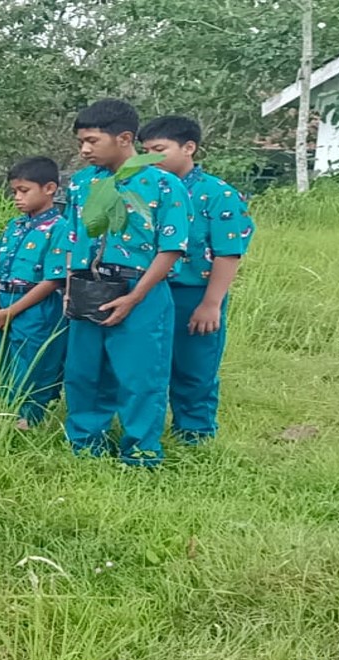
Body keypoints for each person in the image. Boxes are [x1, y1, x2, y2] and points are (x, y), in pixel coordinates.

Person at [51, 98, 191, 466]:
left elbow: (171, 248)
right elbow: (73, 239)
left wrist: (135, 298)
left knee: (140, 375)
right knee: (85, 372)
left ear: (124, 138)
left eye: (93, 141)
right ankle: (85, 446)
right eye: (81, 141)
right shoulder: (83, 185)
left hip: (139, 291)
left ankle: (141, 453)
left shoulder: (162, 184)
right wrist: (69, 288)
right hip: (88, 285)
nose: (84, 150)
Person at [138, 115, 256, 443]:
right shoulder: (143, 189)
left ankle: (195, 435)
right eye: (144, 151)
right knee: (146, 364)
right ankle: (144, 431)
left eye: (159, 149)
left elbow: (228, 251)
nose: (151, 158)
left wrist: (211, 303)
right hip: (148, 290)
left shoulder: (217, 194)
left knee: (194, 367)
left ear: (189, 148)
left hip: (194, 291)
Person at [0, 156, 68, 430]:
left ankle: (30, 417)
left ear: (50, 188)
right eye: (14, 191)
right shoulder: (14, 227)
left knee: (34, 360)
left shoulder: (60, 228)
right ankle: (6, 411)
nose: (17, 197)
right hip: (4, 301)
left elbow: (52, 280)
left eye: (24, 191)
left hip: (34, 305)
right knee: (5, 359)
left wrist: (12, 311)